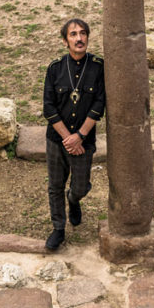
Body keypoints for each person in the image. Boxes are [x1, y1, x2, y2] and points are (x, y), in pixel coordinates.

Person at [42, 18, 106, 250]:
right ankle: (58, 229)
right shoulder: (55, 68)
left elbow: (99, 104)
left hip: (83, 140)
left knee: (80, 187)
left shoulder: (99, 67)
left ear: (88, 36)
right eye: (73, 34)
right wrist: (67, 138)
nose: (79, 38)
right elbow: (48, 107)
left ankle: (74, 200)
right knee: (55, 185)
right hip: (56, 139)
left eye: (82, 33)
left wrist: (79, 136)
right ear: (65, 41)